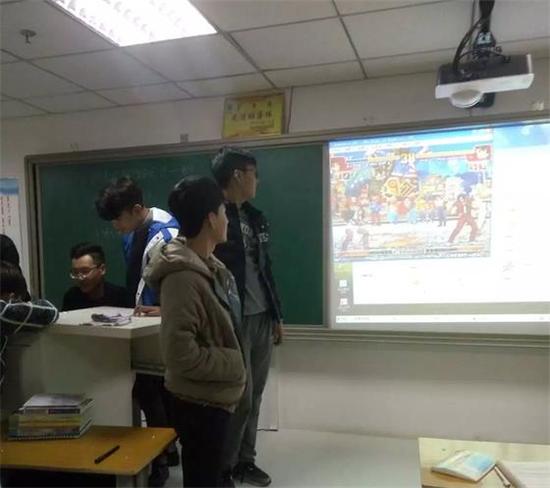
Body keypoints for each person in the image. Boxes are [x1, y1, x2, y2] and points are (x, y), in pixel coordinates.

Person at [144, 176, 246, 487]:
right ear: (210, 219)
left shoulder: (210, 266)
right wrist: (234, 363)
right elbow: (180, 355)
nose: (227, 219)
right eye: (223, 211)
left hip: (216, 399)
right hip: (200, 405)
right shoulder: (182, 277)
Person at [95, 177, 179, 487]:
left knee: (157, 393)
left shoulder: (168, 233)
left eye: (118, 218)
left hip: (164, 327)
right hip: (140, 323)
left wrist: (166, 309)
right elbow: (139, 279)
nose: (115, 226)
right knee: (148, 391)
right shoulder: (131, 232)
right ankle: (165, 451)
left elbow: (184, 284)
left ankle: (162, 457)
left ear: (137, 209)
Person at [211, 147, 283, 487]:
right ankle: (223, 467)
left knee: (255, 396)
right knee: (239, 397)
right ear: (238, 175)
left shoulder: (256, 217)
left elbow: (265, 268)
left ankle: (245, 462)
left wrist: (277, 315)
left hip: (262, 317)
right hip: (233, 321)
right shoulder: (211, 217)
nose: (258, 180)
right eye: (254, 173)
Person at [62, 242, 132, 311]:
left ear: (102, 269)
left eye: (85, 271)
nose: (80, 278)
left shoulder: (121, 297)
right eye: (76, 272)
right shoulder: (71, 298)